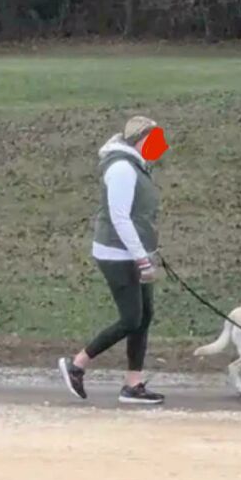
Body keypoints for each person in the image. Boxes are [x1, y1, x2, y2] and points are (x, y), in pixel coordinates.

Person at [58, 115, 166, 405]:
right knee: (131, 318)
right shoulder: (121, 168)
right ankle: (77, 364)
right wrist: (142, 259)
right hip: (117, 255)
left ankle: (133, 384)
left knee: (144, 316)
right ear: (140, 139)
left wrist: (147, 251)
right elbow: (119, 218)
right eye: (153, 140)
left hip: (134, 252)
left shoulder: (137, 166)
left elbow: (139, 215)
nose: (159, 146)